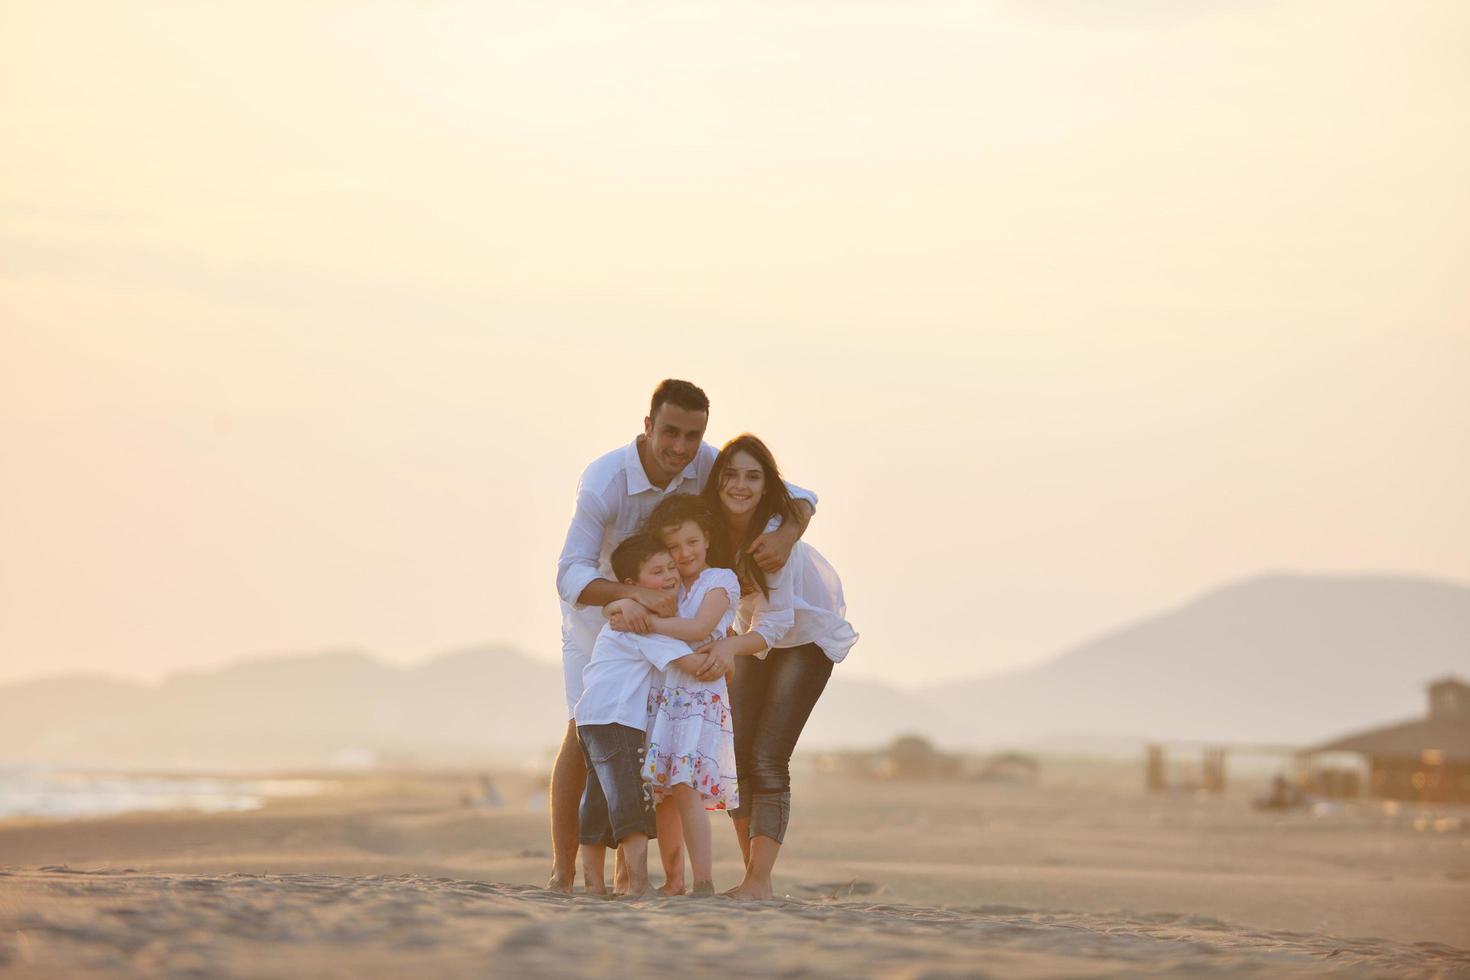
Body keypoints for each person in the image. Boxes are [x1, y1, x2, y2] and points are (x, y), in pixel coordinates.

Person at [547, 379, 818, 893]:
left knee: (650, 741)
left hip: (670, 619)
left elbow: (799, 496)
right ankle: (564, 875)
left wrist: (788, 532)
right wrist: (632, 600)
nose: (680, 447)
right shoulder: (604, 481)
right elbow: (569, 574)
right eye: (670, 432)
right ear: (647, 426)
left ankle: (633, 875)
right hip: (605, 618)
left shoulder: (704, 462)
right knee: (586, 730)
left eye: (693, 436)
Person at [695, 434, 858, 901]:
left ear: (766, 485)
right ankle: (754, 878)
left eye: (753, 476)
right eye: (732, 475)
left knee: (768, 755)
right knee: (736, 754)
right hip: (756, 636)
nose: (741, 485)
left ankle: (758, 882)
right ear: (717, 480)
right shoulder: (710, 525)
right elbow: (805, 497)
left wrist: (729, 648)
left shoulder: (771, 534)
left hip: (805, 637)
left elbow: (780, 620)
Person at [606, 494, 739, 896]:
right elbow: (616, 609)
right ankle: (673, 879)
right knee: (662, 790)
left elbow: (700, 628)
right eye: (675, 548)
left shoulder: (721, 580)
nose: (684, 554)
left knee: (686, 785)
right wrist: (622, 606)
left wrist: (645, 623)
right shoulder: (670, 586)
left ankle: (703, 881)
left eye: (692, 542)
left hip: (699, 695)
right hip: (664, 695)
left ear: (708, 539)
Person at [573, 533, 715, 897]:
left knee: (599, 800)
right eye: (658, 571)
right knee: (630, 797)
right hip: (618, 719)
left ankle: (592, 885)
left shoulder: (621, 616)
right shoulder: (639, 623)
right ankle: (637, 882)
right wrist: (722, 654)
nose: (669, 575)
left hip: (590, 718)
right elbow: (689, 663)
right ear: (632, 585)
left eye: (671, 568)